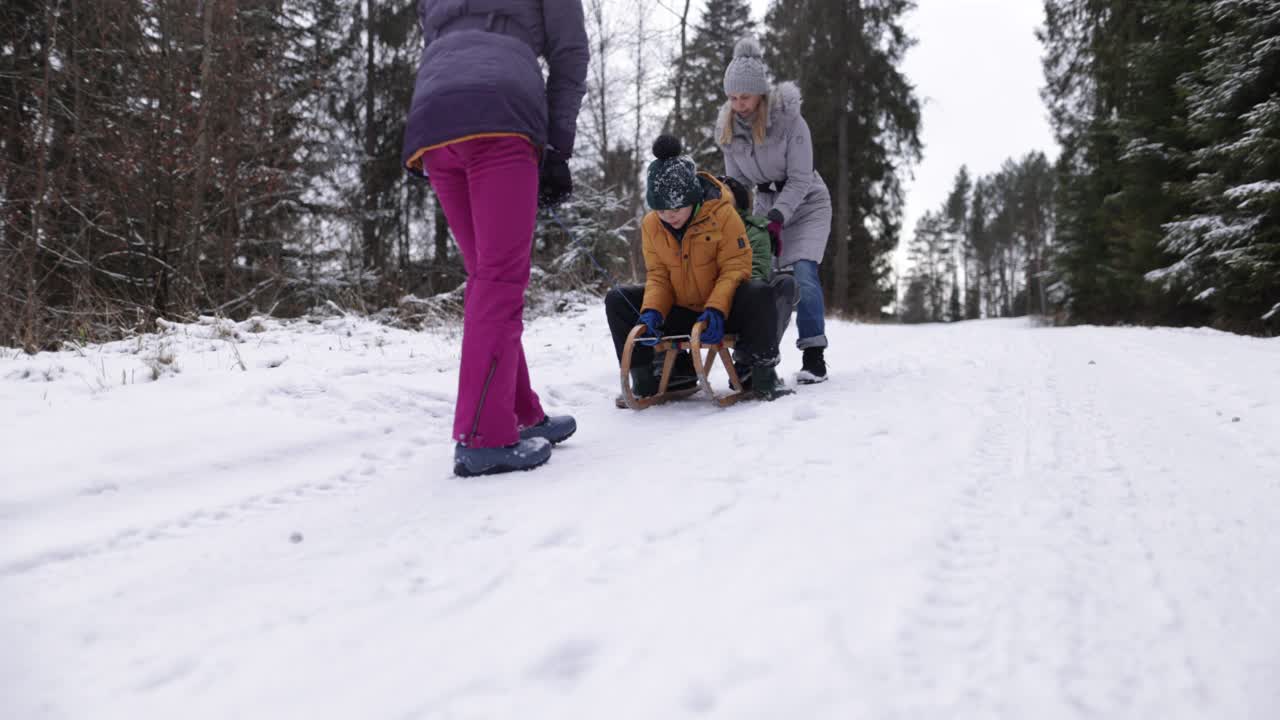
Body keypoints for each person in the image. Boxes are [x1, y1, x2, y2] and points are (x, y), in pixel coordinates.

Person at [401, 0, 589, 477]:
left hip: (433, 120)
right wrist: (557, 149)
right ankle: (482, 437)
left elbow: (434, 30)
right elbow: (569, 55)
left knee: (488, 275)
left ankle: (519, 410)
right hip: (500, 111)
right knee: (501, 279)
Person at [605, 136, 789, 401]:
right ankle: (645, 380)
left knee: (759, 292)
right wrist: (652, 312)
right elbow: (658, 275)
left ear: (693, 197)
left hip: (723, 311)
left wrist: (716, 308)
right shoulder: (651, 225)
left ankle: (763, 375)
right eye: (661, 209)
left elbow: (736, 267)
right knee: (618, 299)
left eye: (677, 207)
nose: (670, 215)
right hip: (682, 310)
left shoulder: (723, 215)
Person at [717, 35, 833, 384]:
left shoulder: (791, 122)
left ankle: (814, 356)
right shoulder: (728, 131)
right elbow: (735, 185)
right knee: (761, 279)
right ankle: (757, 355)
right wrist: (734, 219)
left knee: (803, 275)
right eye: (733, 97)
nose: (739, 104)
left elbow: (799, 178)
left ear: (761, 94)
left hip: (808, 202)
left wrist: (778, 218)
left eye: (745, 97)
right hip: (766, 206)